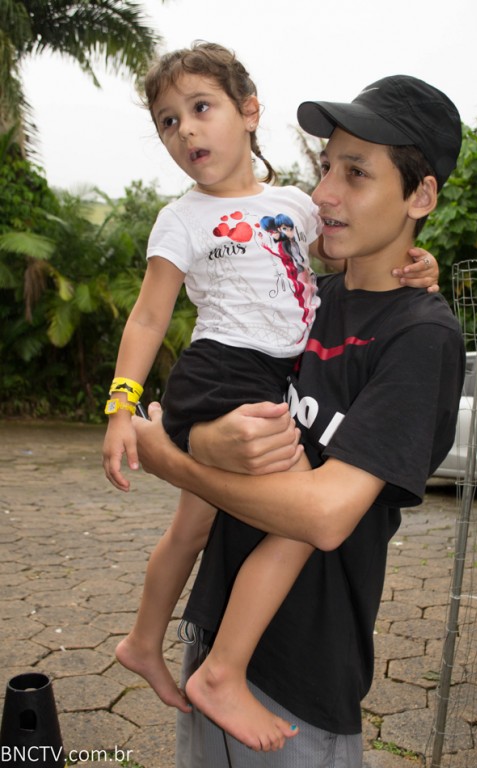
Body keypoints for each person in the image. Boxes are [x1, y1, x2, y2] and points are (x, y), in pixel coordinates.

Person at [101, 42, 439, 751]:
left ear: (249, 112)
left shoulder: (296, 211)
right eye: (168, 121)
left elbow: (330, 253)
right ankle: (221, 670)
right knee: (288, 507)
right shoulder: (182, 219)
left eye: (202, 107)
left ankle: (143, 641)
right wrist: (123, 407)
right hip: (223, 373)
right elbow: (148, 317)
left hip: (270, 379)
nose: (186, 130)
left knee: (197, 525)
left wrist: (418, 262)